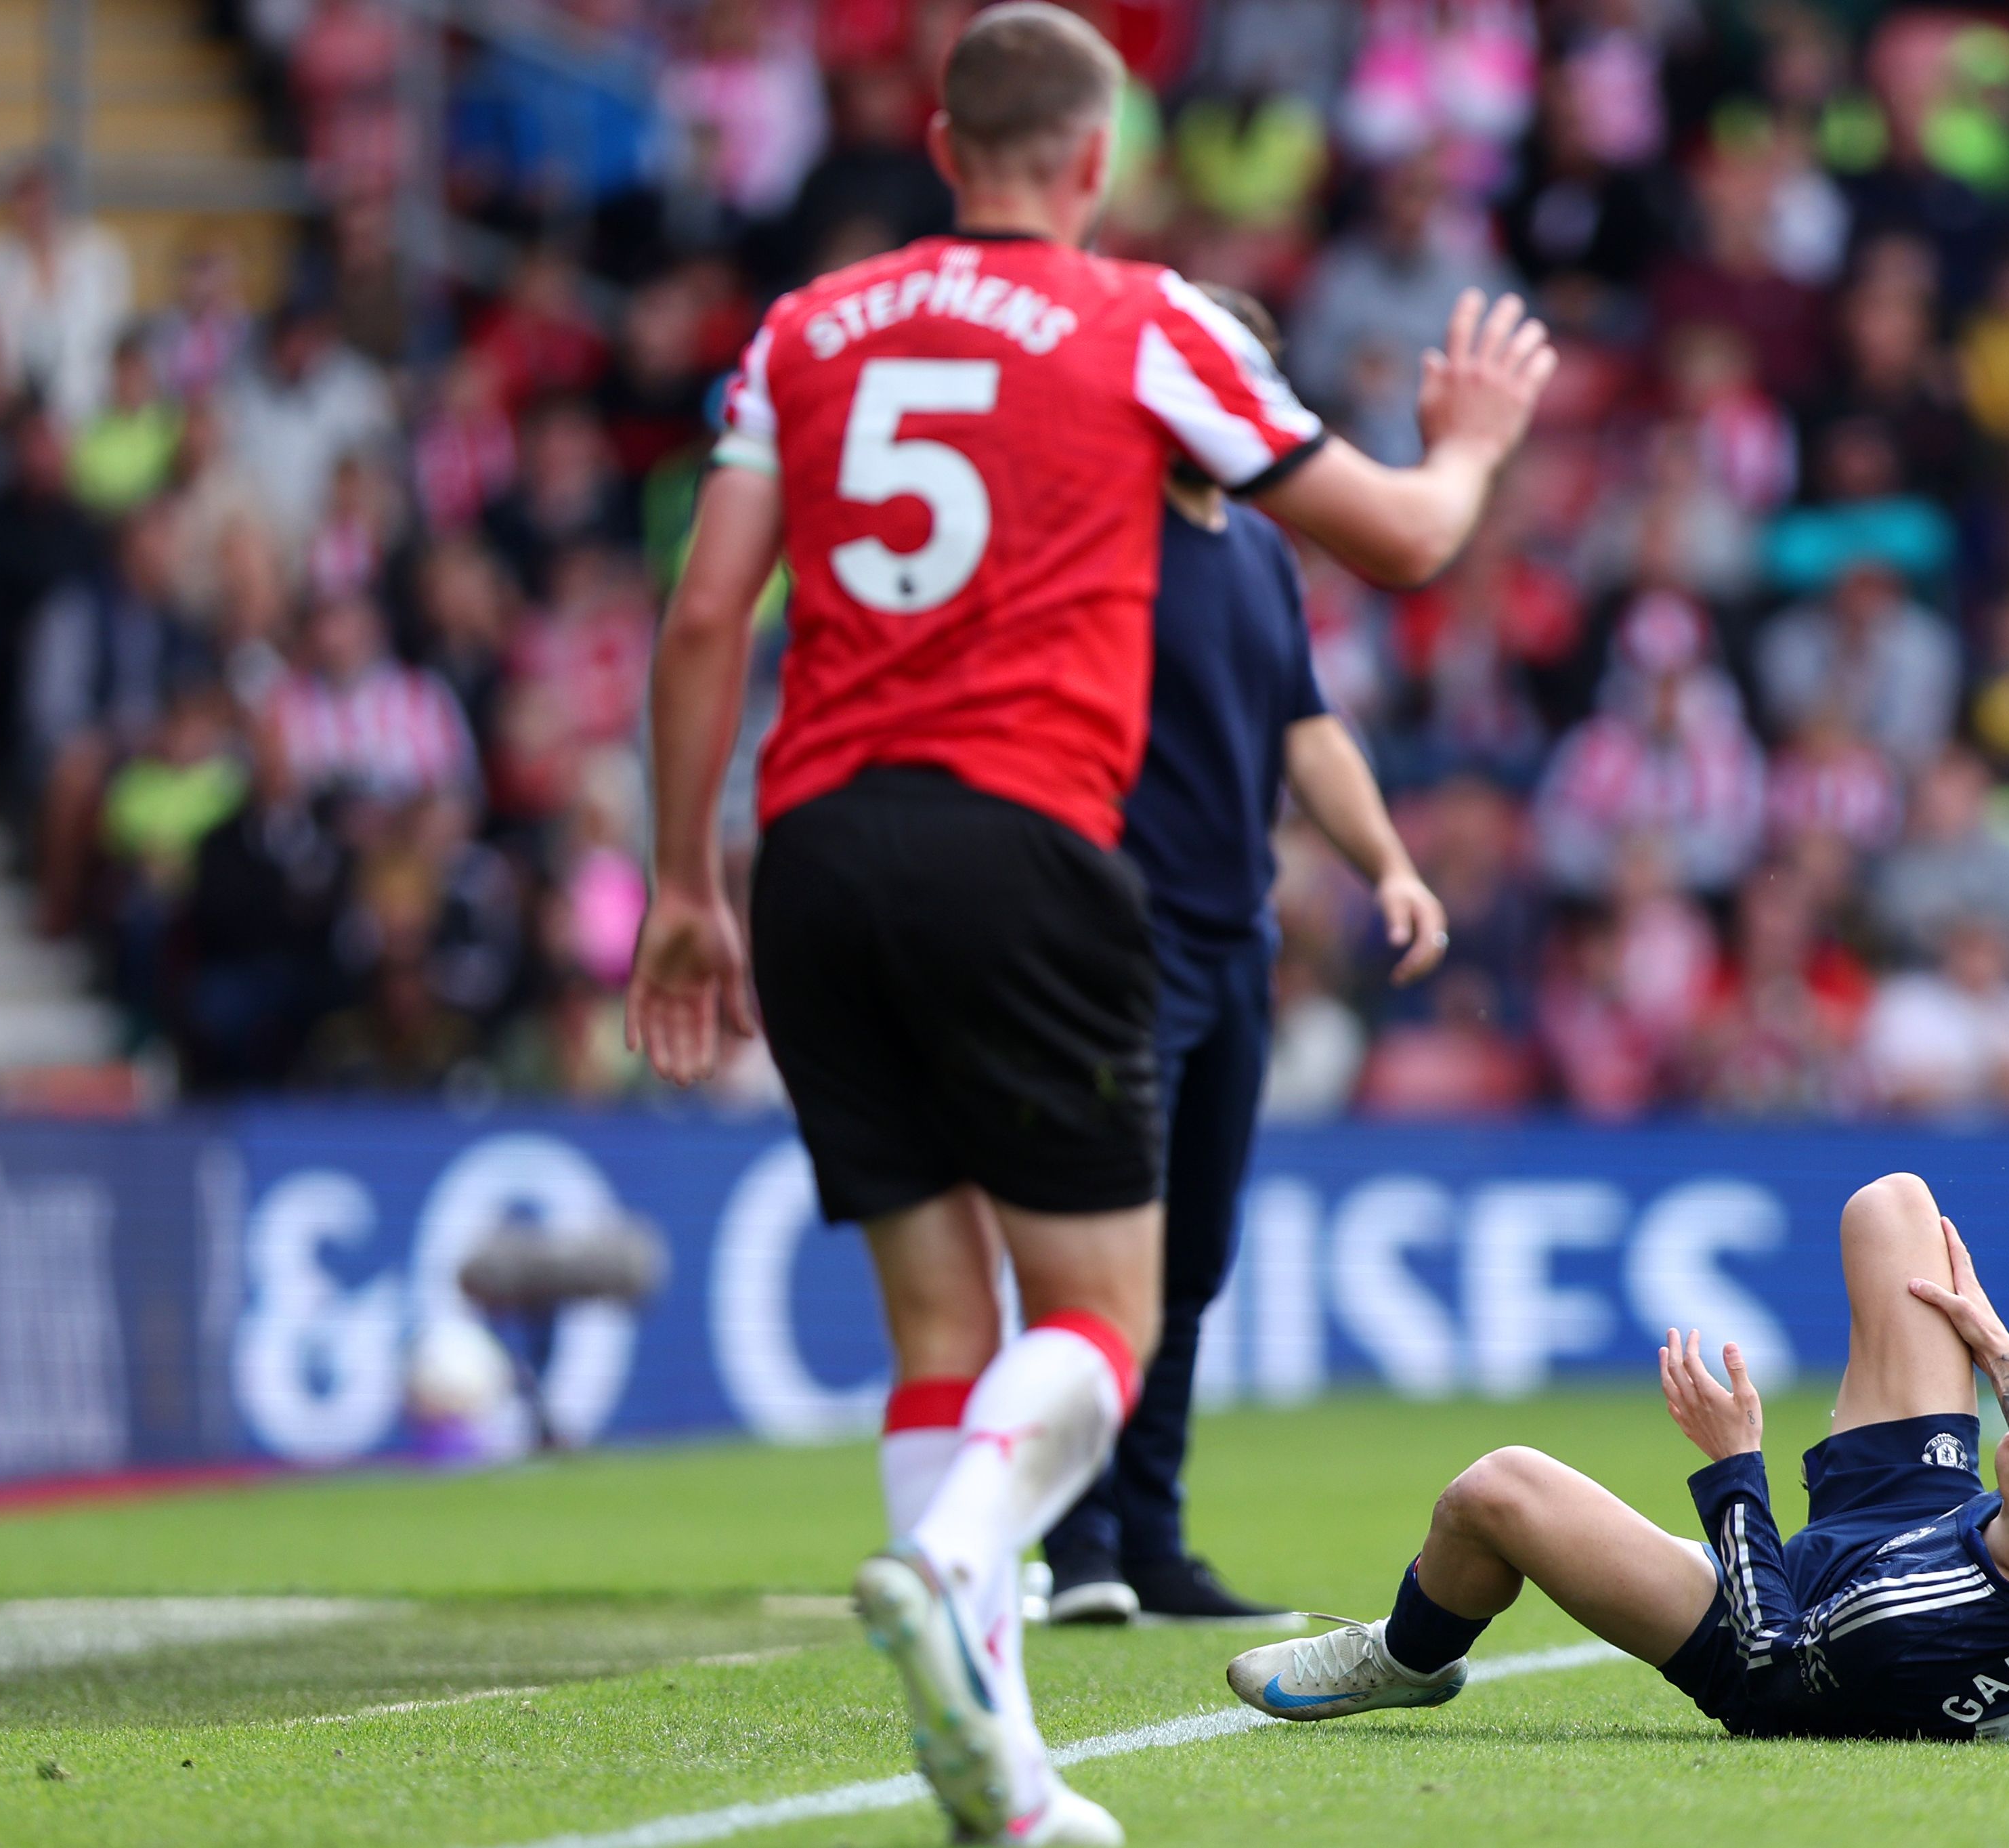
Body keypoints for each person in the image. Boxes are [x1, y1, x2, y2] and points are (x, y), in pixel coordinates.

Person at [624, 10, 1553, 1844]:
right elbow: (1397, 540)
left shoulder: (798, 332)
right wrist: (1469, 442)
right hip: (1021, 845)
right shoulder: (1149, 322)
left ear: (938, 137)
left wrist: (677, 882)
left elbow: (700, 614)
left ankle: (1005, 1779)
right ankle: (977, 1552)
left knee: (932, 1323)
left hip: (810, 848)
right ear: (1096, 156)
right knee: (1104, 1312)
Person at [1222, 1172, 2009, 1741]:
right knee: (1896, 1209)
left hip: (1792, 1632)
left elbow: (1776, 1665)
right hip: (1931, 1526)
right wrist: (2003, 1354)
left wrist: (1735, 1466)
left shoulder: (1902, 1624)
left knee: (1497, 1488)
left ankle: (1404, 1655)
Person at [1039, 289, 1452, 1627]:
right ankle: (1075, 1536)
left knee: (1193, 1253)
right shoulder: (1101, 538)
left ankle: (1146, 1534)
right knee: (1102, 1239)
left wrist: (1385, 863)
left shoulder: (1260, 555)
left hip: (1232, 943)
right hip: (1113, 936)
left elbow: (1304, 728)